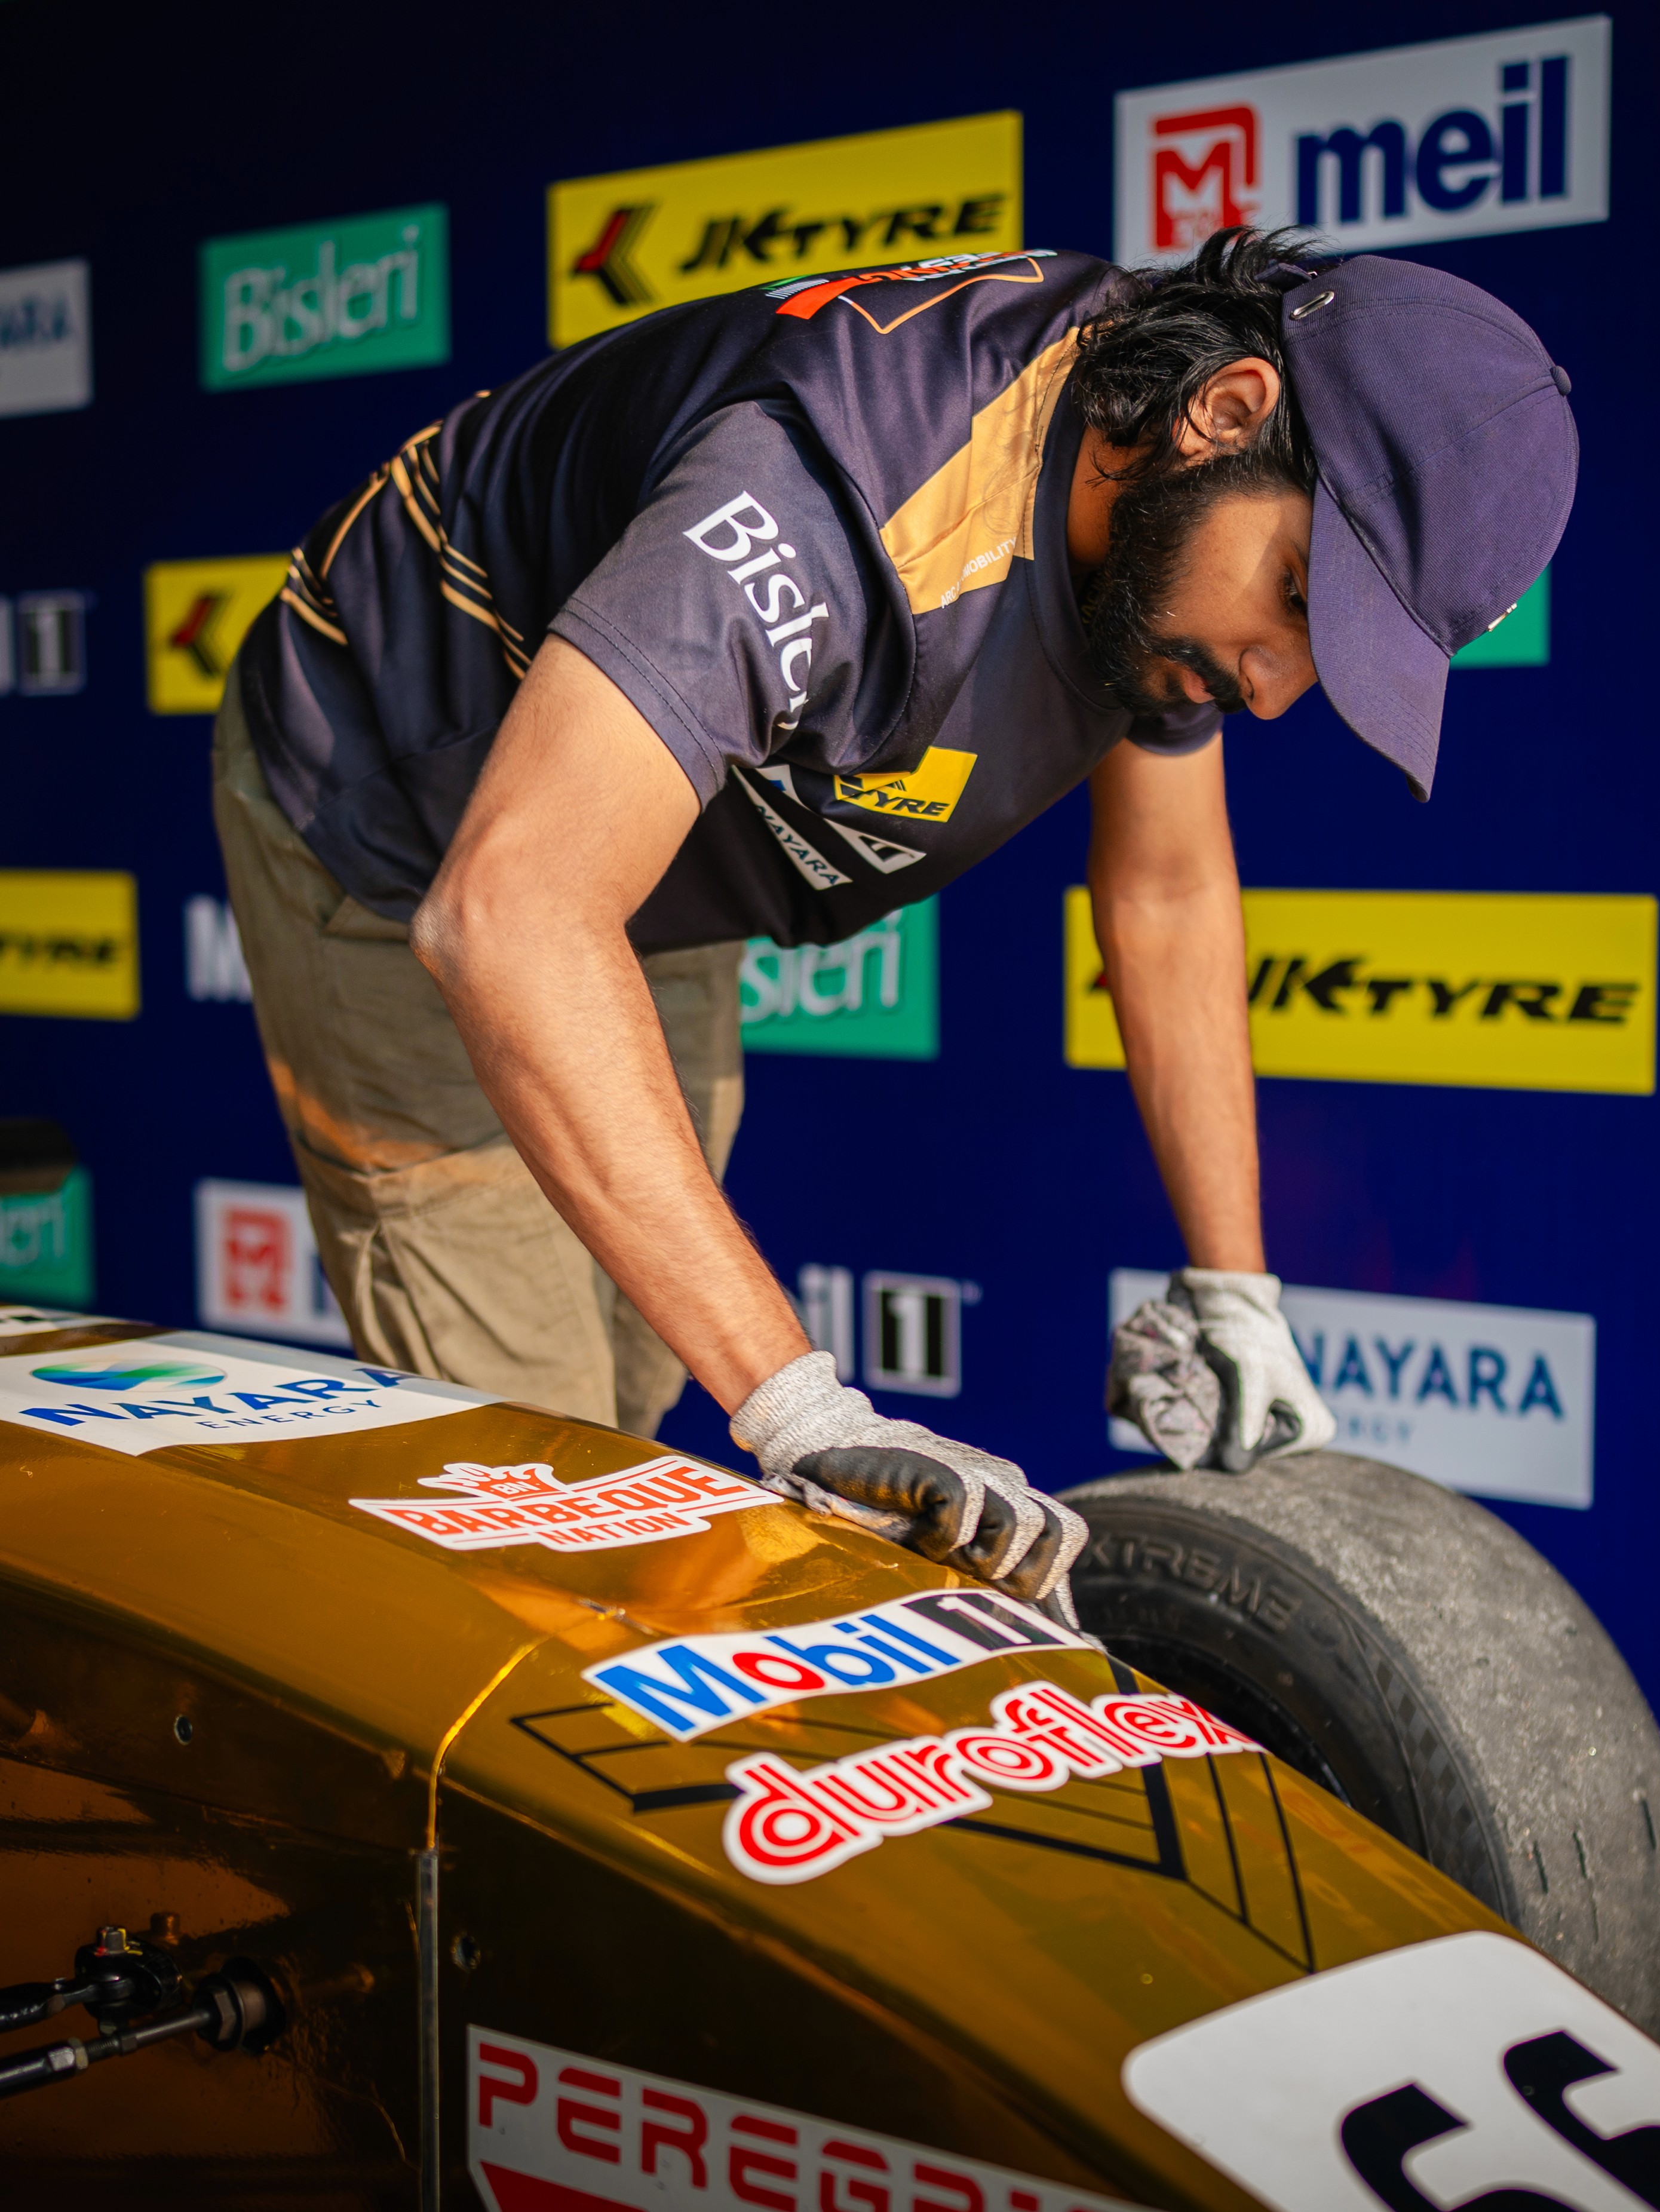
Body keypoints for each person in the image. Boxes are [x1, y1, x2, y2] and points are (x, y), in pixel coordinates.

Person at [214, 226, 1576, 1625]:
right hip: (406, 802)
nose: (1275, 689)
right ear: (1221, 411)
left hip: (649, 847)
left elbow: (1166, 893)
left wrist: (1234, 1288)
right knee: (548, 1488)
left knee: (629, 1389)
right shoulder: (838, 486)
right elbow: (512, 911)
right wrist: (800, 1402)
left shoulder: (1172, 520)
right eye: (1297, 598)